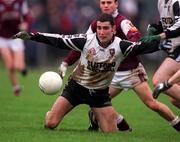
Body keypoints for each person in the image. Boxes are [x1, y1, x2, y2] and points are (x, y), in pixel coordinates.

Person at [13, 13, 174, 132]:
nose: (101, 32)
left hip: (99, 94)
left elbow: (144, 46)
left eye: (105, 28)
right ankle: (53, 112)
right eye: (99, 28)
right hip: (75, 88)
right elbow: (59, 39)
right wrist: (32, 36)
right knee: (50, 124)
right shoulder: (85, 40)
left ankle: (101, 118)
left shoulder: (121, 46)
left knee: (110, 134)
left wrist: (162, 40)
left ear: (113, 29)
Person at [59, 0, 180, 132]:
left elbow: (135, 37)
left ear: (116, 4)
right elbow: (82, 45)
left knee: (152, 104)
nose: (106, 5)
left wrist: (125, 46)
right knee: (95, 101)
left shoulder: (123, 21)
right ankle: (124, 128)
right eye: (103, 2)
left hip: (132, 71)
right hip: (112, 74)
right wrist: (66, 62)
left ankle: (177, 124)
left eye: (109, 2)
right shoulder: (96, 24)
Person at [147, 0, 180, 109]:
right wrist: (155, 27)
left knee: (159, 80)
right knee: (175, 100)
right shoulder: (161, 2)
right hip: (173, 48)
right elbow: (166, 24)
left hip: (178, 48)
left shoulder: (177, 2)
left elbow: (179, 26)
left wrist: (160, 36)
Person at [0, 0, 32, 96]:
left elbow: (28, 16)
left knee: (17, 66)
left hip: (16, 36)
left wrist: (25, 24)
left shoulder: (20, 2)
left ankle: (22, 68)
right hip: (2, 38)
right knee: (9, 65)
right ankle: (16, 87)